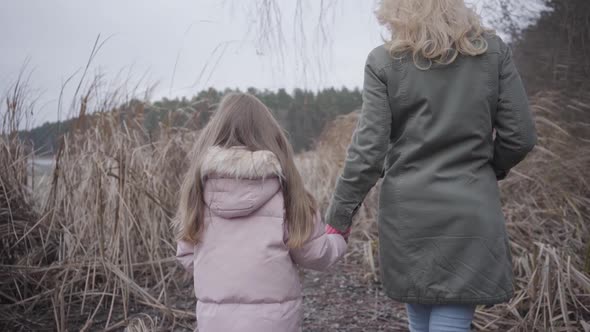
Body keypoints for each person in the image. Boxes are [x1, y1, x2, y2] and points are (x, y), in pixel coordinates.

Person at [325, 0, 537, 331]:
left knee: (421, 313)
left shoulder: (384, 61)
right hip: (470, 207)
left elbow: (367, 152)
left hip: (407, 213)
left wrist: (338, 218)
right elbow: (520, 136)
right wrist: (484, 170)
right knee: (451, 311)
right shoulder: (492, 52)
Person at [173, 93, 347, 332]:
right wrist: (338, 238)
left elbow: (187, 254)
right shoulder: (288, 196)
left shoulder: (198, 194)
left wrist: (224, 269)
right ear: (273, 138)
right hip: (274, 323)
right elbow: (315, 254)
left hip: (215, 322)